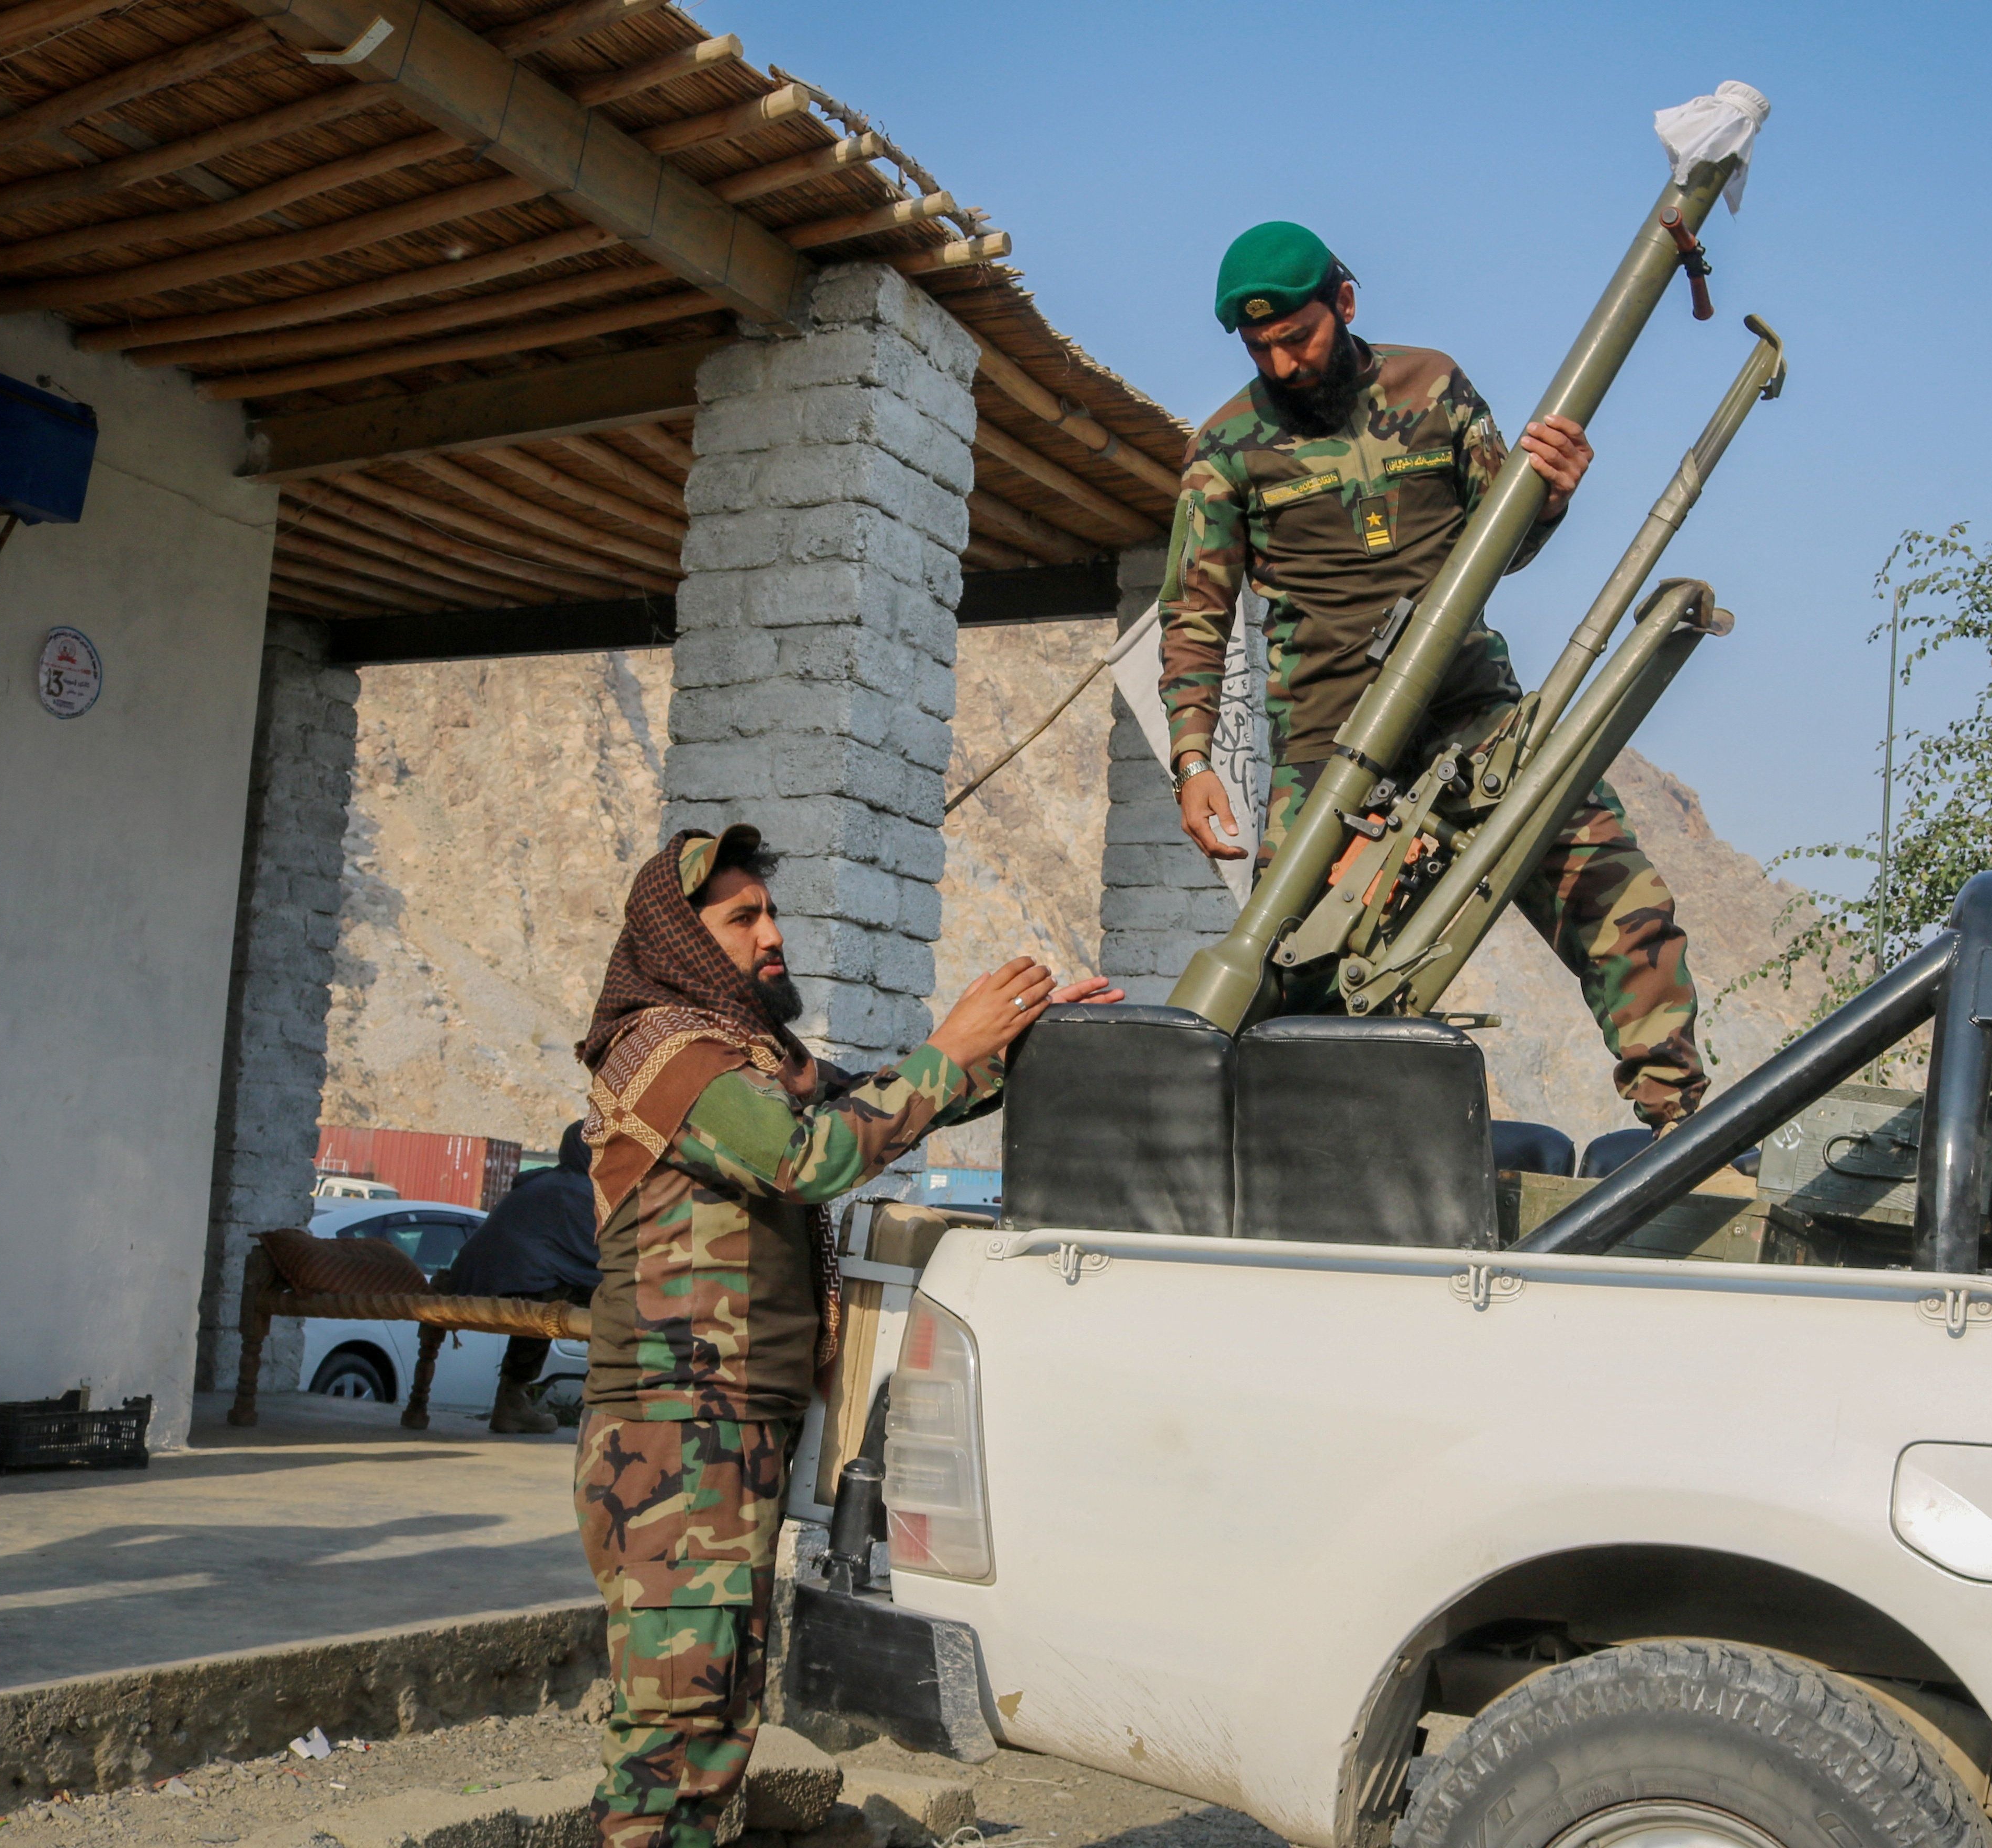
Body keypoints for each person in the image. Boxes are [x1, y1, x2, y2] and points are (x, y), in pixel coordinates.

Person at [571, 822, 1116, 1847]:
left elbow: (872, 1098)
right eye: (743, 918)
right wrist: (949, 1049)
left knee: (718, 1713)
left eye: (769, 912)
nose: (770, 934)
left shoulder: (750, 1054)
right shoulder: (666, 1050)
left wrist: (1015, 1043)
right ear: (681, 939)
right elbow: (811, 1155)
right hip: (677, 1429)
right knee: (671, 1725)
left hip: (732, 1422)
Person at [1157, 220, 1707, 1129]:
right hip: (1329, 752)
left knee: (1616, 894)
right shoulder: (1225, 449)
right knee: (1290, 968)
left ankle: (1681, 1125)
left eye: (1296, 337)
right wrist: (1191, 759)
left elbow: (1507, 541)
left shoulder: (1435, 388)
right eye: (1260, 348)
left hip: (1470, 711)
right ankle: (1287, 1154)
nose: (1283, 363)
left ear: (1343, 302)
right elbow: (1194, 615)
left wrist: (1553, 495)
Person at [444, 1121, 599, 1434]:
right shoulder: (582, 1192)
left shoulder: (541, 1182)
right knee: (618, 1302)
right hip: (515, 1289)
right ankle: (610, 1407)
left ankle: (511, 1402)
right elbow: (600, 1261)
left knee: (545, 1285)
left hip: (472, 1284)